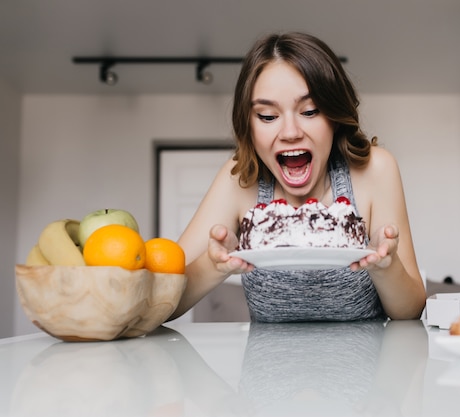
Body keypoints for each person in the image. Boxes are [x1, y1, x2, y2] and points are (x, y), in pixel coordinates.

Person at [169, 32, 426, 322]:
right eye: (268, 116)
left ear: (334, 116)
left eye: (310, 111)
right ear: (249, 126)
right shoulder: (239, 179)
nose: (290, 132)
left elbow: (411, 310)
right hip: (265, 366)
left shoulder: (375, 170)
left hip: (366, 367)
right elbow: (164, 301)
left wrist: (385, 267)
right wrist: (213, 266)